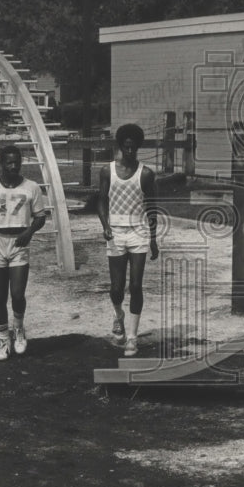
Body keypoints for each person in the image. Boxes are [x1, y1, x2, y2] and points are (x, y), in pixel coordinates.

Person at [0, 145, 49, 361]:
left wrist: (29, 233)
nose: (13, 166)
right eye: (9, 162)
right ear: (1, 164)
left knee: (17, 294)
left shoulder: (32, 187)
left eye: (17, 162)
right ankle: (3, 341)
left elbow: (40, 217)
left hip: (19, 244)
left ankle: (19, 328)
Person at [98, 123, 159, 356]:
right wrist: (105, 226)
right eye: (126, 147)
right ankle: (118, 316)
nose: (130, 151)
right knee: (116, 287)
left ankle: (132, 338)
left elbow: (151, 207)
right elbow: (101, 201)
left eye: (134, 148)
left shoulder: (146, 173)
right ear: (121, 146)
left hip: (139, 232)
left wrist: (153, 238)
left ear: (138, 147)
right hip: (115, 232)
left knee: (135, 285)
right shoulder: (108, 171)